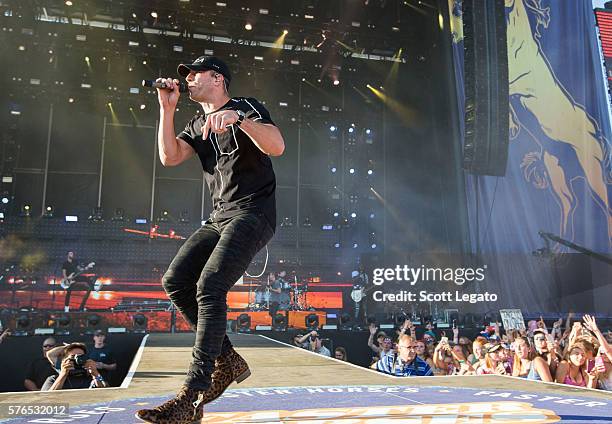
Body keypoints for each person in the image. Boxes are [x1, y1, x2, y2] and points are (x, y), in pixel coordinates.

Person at [136, 55, 284, 424]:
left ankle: (191, 395)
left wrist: (240, 120)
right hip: (220, 215)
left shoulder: (245, 107)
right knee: (175, 280)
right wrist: (165, 110)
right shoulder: (196, 121)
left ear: (217, 79)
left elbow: (276, 146)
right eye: (186, 75)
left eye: (195, 74)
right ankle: (228, 360)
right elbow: (170, 157)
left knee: (211, 284)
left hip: (254, 212)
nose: (187, 80)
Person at [41, 342, 107, 390]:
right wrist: (63, 374)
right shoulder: (53, 379)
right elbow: (47, 399)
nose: (77, 359)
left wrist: (95, 374)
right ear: (64, 360)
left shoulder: (92, 378)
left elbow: (107, 396)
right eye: (73, 357)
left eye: (80, 356)